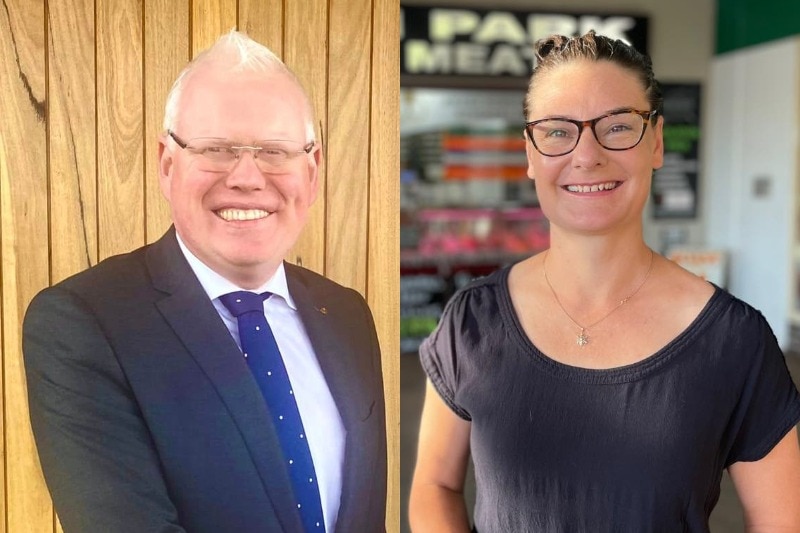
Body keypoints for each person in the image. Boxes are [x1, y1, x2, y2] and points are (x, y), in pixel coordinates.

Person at [409, 31, 800, 532]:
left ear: (656, 142)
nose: (587, 154)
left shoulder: (735, 340)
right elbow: (434, 487)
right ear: (529, 151)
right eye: (556, 131)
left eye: (617, 127)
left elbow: (780, 521)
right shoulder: (471, 322)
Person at [23, 31, 386, 533]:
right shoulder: (85, 323)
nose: (247, 177)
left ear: (313, 170)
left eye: (275, 152)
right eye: (216, 149)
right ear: (167, 164)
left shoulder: (345, 313)